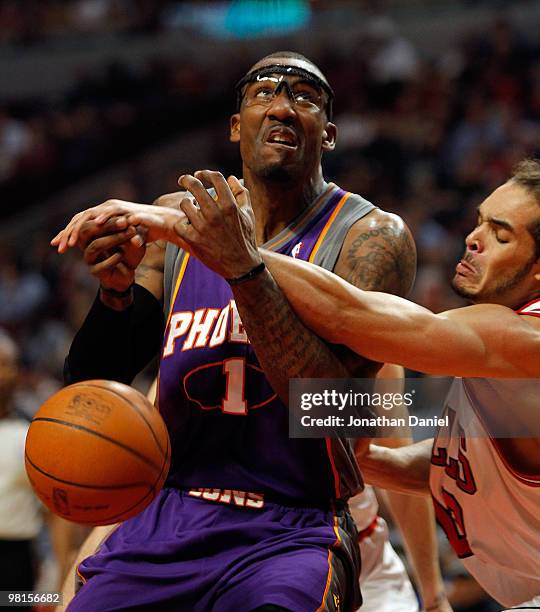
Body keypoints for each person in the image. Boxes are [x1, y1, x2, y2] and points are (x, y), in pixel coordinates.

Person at [52, 51, 448, 611]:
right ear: (237, 127)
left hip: (291, 528)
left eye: (304, 98)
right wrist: (114, 297)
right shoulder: (179, 220)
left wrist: (241, 265)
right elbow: (93, 382)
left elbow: (331, 411)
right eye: (264, 93)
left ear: (328, 134)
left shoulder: (371, 237)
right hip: (171, 515)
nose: (282, 107)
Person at [94, 159, 540, 609]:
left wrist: (223, 246)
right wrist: (331, 452)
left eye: (500, 235)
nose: (473, 238)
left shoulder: (525, 340)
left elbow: (354, 316)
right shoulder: (487, 356)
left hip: (337, 553)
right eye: (480, 222)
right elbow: (460, 461)